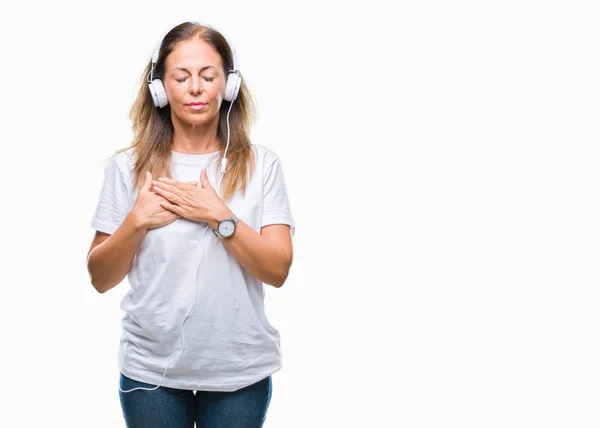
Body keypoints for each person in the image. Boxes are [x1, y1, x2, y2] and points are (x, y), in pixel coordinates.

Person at [86, 21, 295, 428]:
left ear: (228, 86)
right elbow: (99, 278)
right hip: (150, 374)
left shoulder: (262, 165)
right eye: (181, 77)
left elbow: (278, 269)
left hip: (239, 371)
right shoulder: (127, 168)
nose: (195, 88)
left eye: (208, 75)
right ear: (161, 90)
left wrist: (219, 217)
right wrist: (137, 221)